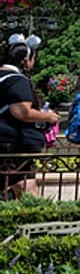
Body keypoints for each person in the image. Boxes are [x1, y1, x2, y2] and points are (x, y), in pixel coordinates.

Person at [0, 37, 60, 199]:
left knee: (22, 183)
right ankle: (31, 217)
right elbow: (22, 112)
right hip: (13, 142)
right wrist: (48, 116)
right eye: (33, 59)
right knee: (20, 181)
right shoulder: (17, 80)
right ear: (25, 61)